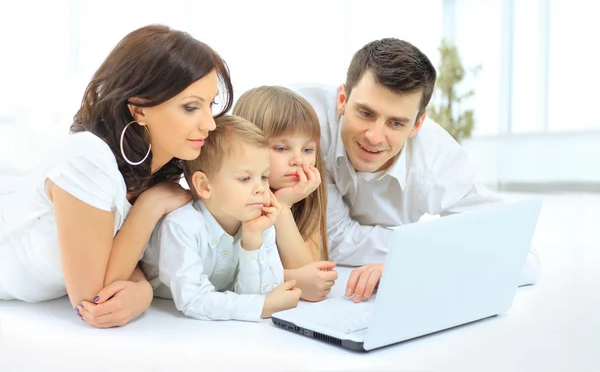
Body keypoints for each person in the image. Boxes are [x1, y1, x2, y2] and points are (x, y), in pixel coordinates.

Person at [0, 24, 233, 328]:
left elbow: (111, 256)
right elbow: (93, 296)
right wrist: (150, 209)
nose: (209, 124)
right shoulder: (88, 158)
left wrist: (139, 286)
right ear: (138, 109)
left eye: (210, 105)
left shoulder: (154, 174)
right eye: (190, 108)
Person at [290, 38, 540, 303]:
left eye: (396, 123)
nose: (375, 137)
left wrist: (411, 263)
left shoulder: (437, 160)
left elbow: (522, 258)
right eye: (365, 113)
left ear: (418, 124)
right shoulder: (300, 119)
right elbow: (332, 237)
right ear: (342, 99)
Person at [140, 115, 302, 321]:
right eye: (245, 178)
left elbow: (259, 296)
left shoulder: (259, 223)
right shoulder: (182, 225)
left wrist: (252, 240)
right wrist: (262, 306)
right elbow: (193, 300)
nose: (261, 189)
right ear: (205, 186)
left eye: (264, 176)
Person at [233, 86, 338, 302]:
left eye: (308, 150)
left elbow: (311, 275)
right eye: (282, 148)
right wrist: (290, 278)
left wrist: (283, 207)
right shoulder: (233, 201)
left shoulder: (301, 197)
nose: (299, 160)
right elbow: (227, 277)